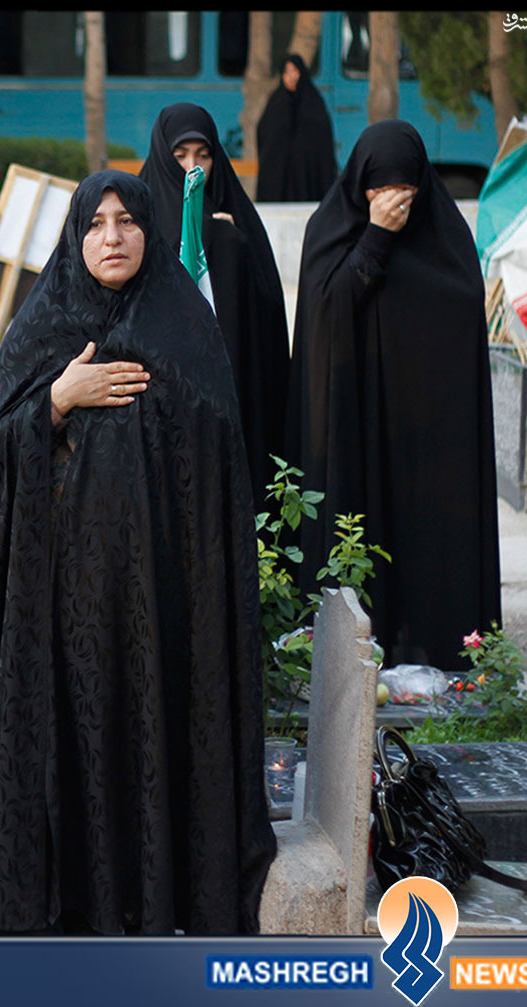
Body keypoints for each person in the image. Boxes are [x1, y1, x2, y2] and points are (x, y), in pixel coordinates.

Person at [0, 170, 276, 935]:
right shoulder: (42, 326)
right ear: (75, 234)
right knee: (71, 752)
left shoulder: (186, 329)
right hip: (59, 611)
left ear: (150, 232)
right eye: (95, 223)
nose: (112, 237)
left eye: (126, 221)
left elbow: (218, 464)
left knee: (146, 748)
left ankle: (151, 899)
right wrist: (59, 397)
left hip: (162, 609)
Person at [286, 120, 500, 672]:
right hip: (352, 426)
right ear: (360, 185)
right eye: (380, 187)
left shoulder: (445, 244)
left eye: (404, 187)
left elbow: (460, 322)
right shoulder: (329, 231)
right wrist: (375, 237)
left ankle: (440, 652)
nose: (392, 200)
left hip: (427, 442)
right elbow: (327, 313)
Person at [138, 103, 290, 509]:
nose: (193, 168)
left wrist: (228, 247)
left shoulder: (238, 217)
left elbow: (266, 316)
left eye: (203, 155)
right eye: (180, 156)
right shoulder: (138, 216)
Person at [255, 53, 337, 202]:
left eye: (295, 71)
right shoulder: (276, 104)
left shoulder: (314, 103)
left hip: (309, 182)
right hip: (279, 186)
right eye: (286, 72)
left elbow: (323, 145)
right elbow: (266, 141)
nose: (291, 77)